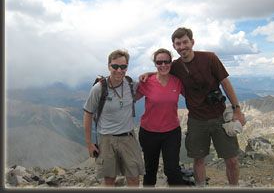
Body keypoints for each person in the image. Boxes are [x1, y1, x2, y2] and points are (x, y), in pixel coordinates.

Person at [139, 27, 245, 187]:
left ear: (192, 42)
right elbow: (162, 70)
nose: (182, 46)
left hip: (219, 116)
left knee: (232, 159)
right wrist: (148, 74)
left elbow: (225, 82)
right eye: (178, 44)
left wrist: (237, 109)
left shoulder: (210, 58)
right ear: (174, 47)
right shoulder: (175, 66)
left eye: (185, 42)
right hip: (196, 119)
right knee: (198, 158)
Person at [83, 49, 145, 187]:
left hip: (128, 138)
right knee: (109, 180)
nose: (119, 70)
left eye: (123, 67)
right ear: (108, 66)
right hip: (106, 139)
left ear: (127, 67)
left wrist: (149, 73)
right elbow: (88, 114)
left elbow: (151, 82)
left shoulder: (130, 85)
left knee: (134, 178)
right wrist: (89, 144)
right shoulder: (99, 88)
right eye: (115, 66)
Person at [136, 48, 185, 187]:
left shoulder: (177, 81)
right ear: (155, 64)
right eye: (159, 62)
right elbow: (130, 99)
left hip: (171, 132)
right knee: (150, 170)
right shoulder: (147, 82)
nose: (163, 65)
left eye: (166, 61)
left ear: (171, 62)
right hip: (149, 133)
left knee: (172, 170)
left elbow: (193, 95)